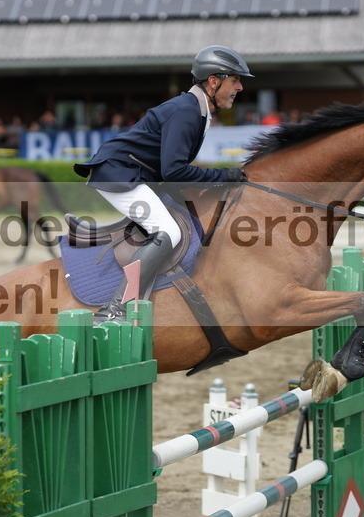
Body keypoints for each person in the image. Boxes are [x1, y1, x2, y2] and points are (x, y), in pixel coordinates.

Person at [74, 45, 252, 323]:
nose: (240, 87)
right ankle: (116, 307)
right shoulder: (187, 112)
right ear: (214, 81)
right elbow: (175, 171)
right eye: (235, 80)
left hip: (136, 173)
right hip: (119, 174)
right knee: (168, 231)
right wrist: (222, 176)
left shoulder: (196, 109)